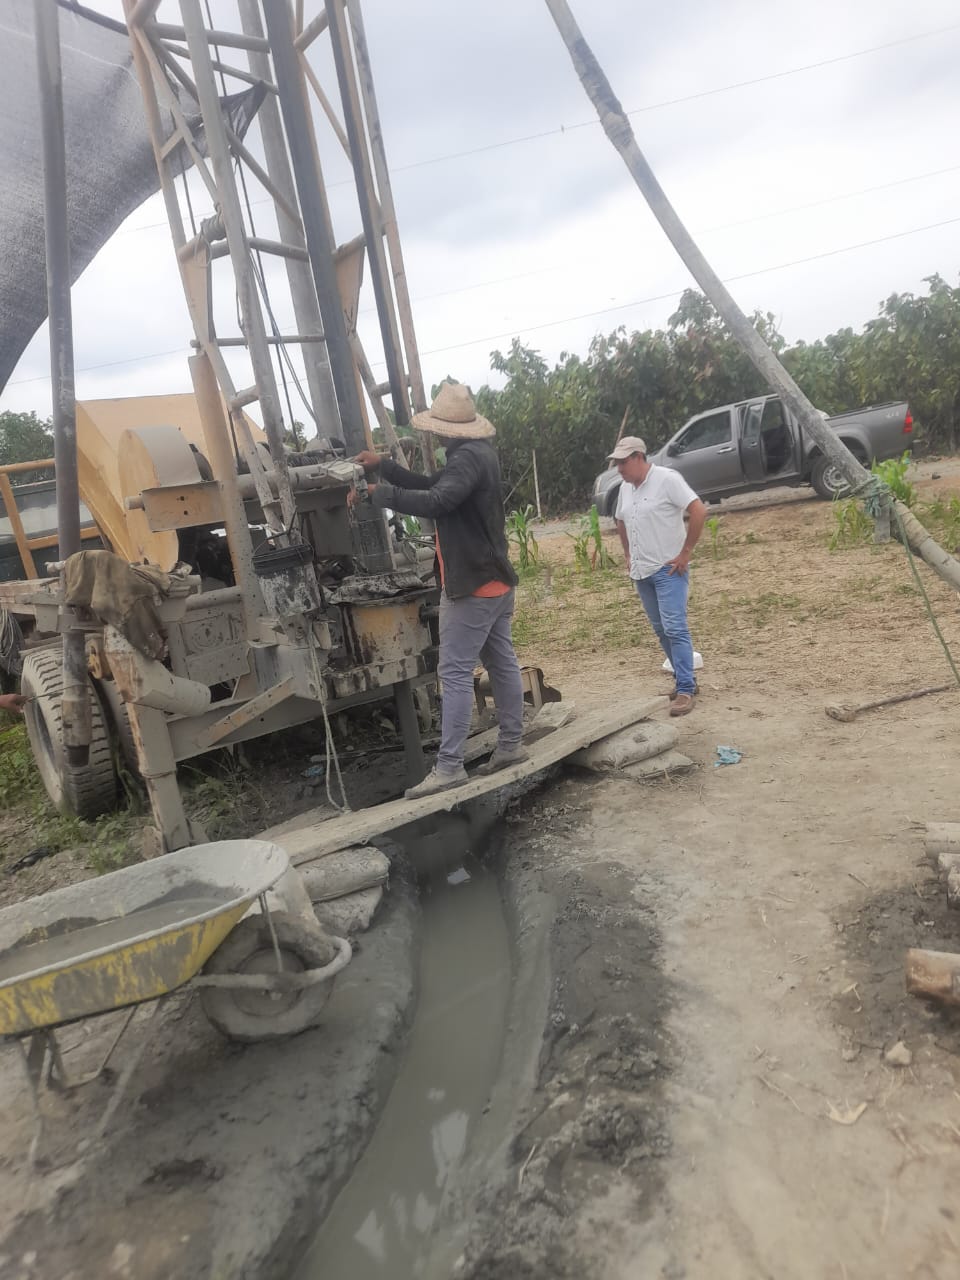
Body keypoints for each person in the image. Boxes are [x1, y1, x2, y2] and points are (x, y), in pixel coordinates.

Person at [354, 382, 528, 798]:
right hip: (495, 581)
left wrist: (380, 494)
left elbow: (436, 501)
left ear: (443, 429)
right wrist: (385, 466)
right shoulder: (478, 454)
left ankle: (449, 767)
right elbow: (434, 484)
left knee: (454, 672)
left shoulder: (465, 459)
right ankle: (511, 745)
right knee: (502, 661)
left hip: (472, 587)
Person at [611, 436, 707, 716]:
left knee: (675, 627)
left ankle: (685, 689)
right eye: (617, 463)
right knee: (661, 629)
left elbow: (698, 510)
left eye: (623, 462)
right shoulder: (625, 488)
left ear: (639, 457)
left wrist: (685, 553)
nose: (619, 468)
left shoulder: (667, 479)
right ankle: (684, 679)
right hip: (641, 572)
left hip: (668, 569)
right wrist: (627, 553)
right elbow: (620, 519)